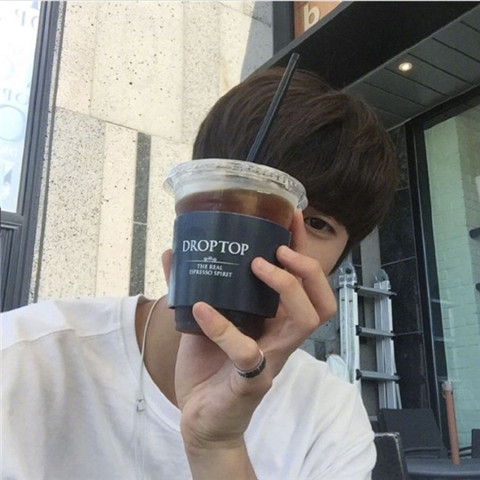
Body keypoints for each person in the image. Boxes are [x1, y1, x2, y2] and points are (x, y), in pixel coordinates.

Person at [1, 68, 397, 479]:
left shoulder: (331, 419)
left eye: (316, 224)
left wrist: (218, 447)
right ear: (190, 202)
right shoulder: (21, 358)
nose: (278, 234)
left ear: (336, 262)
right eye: (246, 193)